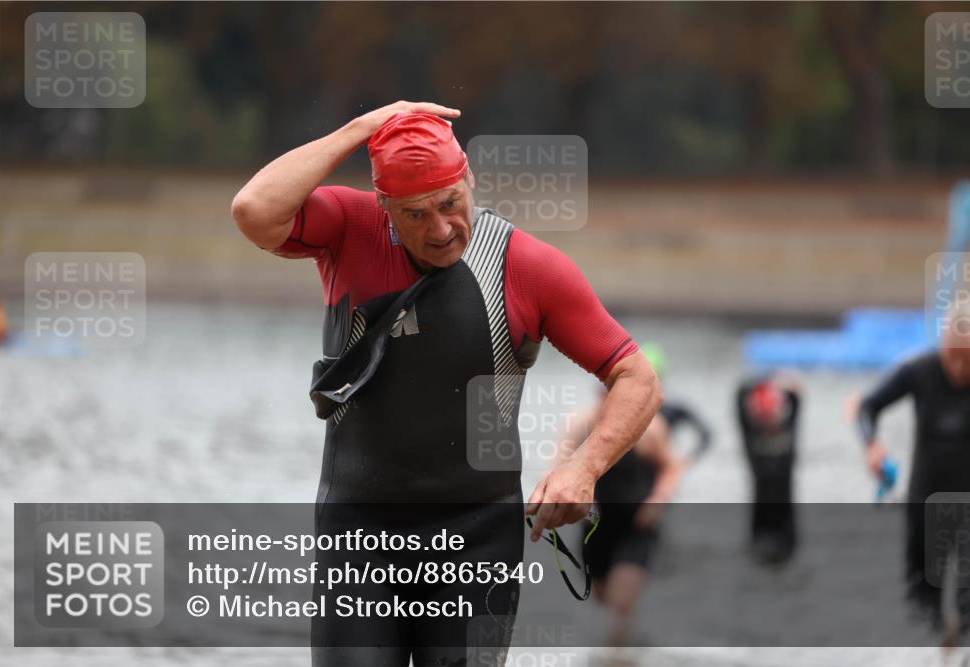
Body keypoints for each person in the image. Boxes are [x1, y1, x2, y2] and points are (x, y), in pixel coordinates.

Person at [231, 101, 663, 667]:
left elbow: (637, 378)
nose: (440, 230)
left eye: (450, 203)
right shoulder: (348, 228)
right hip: (359, 534)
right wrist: (366, 128)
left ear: (468, 179)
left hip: (477, 537)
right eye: (414, 215)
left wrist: (584, 469)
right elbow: (253, 209)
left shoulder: (526, 268)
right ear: (384, 207)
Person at [856, 301, 970, 636]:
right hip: (925, 501)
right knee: (923, 608)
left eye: (969, 359)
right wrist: (872, 445)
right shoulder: (920, 371)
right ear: (943, 346)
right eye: (953, 358)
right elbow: (868, 407)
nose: (960, 368)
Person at [557, 352, 687, 650]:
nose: (606, 402)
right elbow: (559, 464)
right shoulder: (581, 424)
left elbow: (672, 466)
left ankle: (621, 652)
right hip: (595, 525)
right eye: (602, 393)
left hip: (637, 524)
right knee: (602, 598)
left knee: (620, 601)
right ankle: (622, 644)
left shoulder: (649, 430)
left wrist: (658, 500)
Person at [736, 372, 802, 565]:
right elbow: (739, 397)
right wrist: (763, 380)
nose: (770, 420)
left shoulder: (789, 434)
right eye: (766, 415)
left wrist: (783, 386)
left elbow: (797, 400)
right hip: (760, 532)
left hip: (788, 533)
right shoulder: (752, 439)